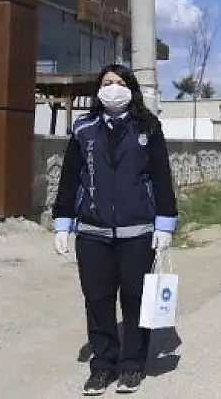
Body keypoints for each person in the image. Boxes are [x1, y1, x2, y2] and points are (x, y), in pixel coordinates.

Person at [51, 64, 178, 396]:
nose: (113, 88)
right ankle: (103, 366)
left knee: (136, 300)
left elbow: (162, 178)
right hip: (92, 232)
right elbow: (69, 179)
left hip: (138, 231)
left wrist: (165, 223)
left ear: (132, 89)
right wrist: (63, 223)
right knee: (97, 299)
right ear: (98, 90)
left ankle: (132, 365)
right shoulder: (84, 129)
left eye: (121, 83)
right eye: (107, 83)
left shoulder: (148, 127)